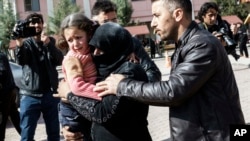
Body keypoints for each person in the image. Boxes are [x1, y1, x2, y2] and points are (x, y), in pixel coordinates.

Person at [93, 0, 245, 141]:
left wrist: (122, 85)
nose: (153, 23)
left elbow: (173, 91)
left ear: (177, 14)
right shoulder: (186, 44)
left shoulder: (202, 45)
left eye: (157, 15)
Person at [54, 22, 152, 141]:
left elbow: (102, 113)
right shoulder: (106, 68)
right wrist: (69, 126)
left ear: (115, 49)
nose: (95, 54)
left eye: (101, 50)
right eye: (94, 48)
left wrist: (70, 95)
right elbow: (86, 103)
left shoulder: (129, 72)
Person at [13, 13, 64, 141]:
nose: (36, 25)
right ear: (28, 25)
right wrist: (18, 42)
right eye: (33, 22)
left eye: (38, 22)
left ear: (42, 24)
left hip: (50, 95)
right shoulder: (25, 44)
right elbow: (20, 60)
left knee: (54, 134)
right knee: (27, 135)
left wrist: (48, 44)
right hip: (29, 96)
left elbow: (59, 60)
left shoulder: (50, 41)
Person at [57, 12, 102, 141]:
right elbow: (77, 87)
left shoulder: (91, 52)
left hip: (82, 104)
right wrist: (104, 96)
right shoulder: (72, 60)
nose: (75, 44)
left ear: (88, 34)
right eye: (70, 40)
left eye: (78, 37)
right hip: (74, 110)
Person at [91, 0, 161, 82]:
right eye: (105, 22)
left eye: (114, 20)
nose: (112, 26)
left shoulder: (131, 43)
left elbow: (153, 74)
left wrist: (128, 83)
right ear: (95, 24)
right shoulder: (88, 48)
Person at [0, 53, 21, 141]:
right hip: (8, 90)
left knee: (2, 118)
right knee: (14, 116)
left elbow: (2, 72)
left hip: (4, 93)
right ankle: (27, 136)